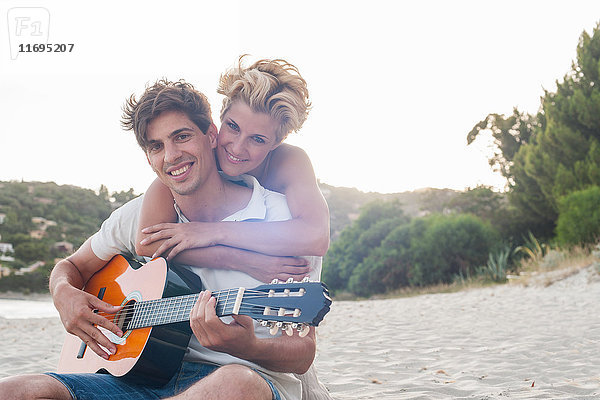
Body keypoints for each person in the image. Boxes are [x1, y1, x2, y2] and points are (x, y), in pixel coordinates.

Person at [0, 79, 321, 400]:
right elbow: (72, 266)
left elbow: (302, 353)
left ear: (210, 134)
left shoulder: (283, 222)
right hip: (137, 376)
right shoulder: (141, 215)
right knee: (19, 390)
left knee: (238, 384)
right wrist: (63, 294)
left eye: (182, 137)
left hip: (243, 377)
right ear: (149, 157)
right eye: (156, 146)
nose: (172, 155)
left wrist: (249, 346)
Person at [135, 57, 330, 280]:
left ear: (276, 143)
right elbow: (147, 244)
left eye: (257, 139)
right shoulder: (191, 161)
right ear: (219, 120)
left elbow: (316, 236)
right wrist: (241, 261)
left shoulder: (289, 161)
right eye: (233, 127)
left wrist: (213, 231)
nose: (237, 148)